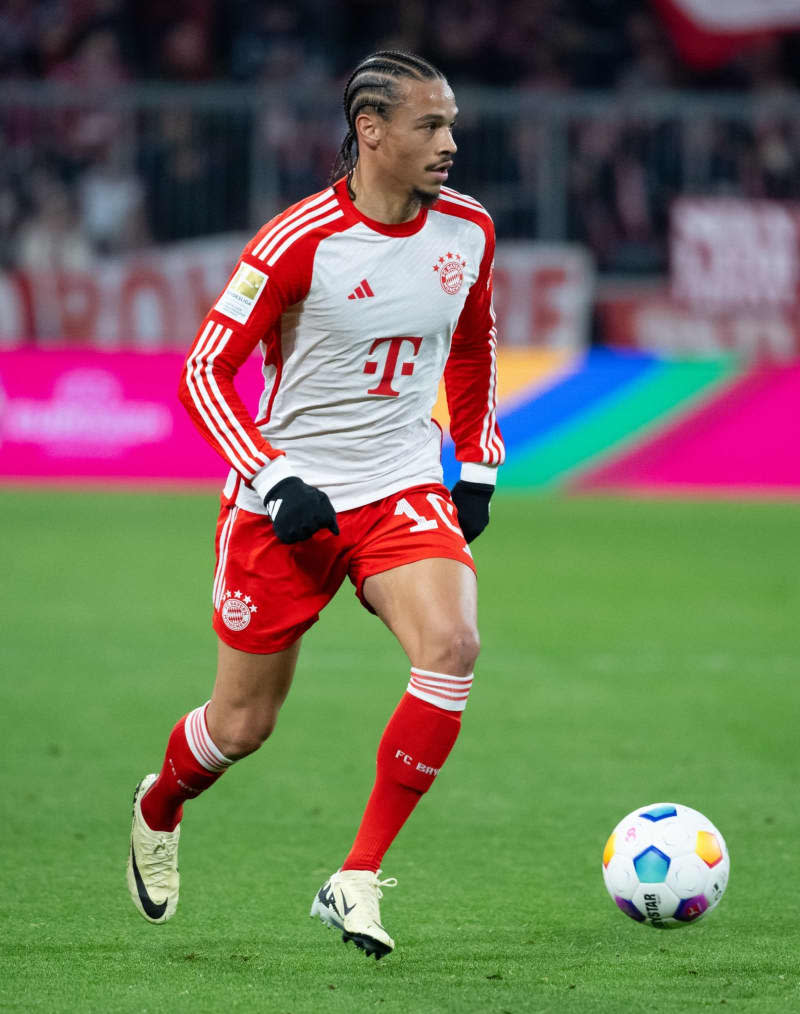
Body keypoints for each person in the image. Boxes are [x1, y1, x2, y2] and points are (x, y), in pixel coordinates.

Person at [126, 50, 504, 960]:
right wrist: (273, 478)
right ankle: (158, 804)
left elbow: (474, 345)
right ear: (371, 132)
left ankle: (357, 876)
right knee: (240, 727)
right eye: (430, 125)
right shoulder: (297, 240)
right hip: (286, 502)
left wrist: (478, 458)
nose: (450, 142)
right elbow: (202, 374)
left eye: (451, 123)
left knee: (452, 647)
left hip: (402, 484)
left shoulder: (470, 232)